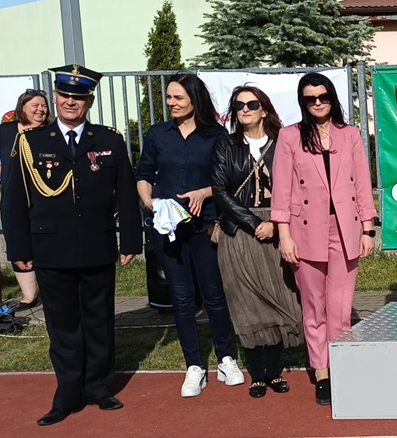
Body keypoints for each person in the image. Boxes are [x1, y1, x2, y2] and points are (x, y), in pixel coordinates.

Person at [1, 65, 141, 426]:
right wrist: (19, 251)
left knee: (99, 321)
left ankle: (98, 388)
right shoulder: (30, 142)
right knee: (62, 326)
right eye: (64, 95)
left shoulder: (108, 139)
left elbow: (126, 193)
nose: (70, 102)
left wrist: (130, 239)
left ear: (89, 101)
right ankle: (67, 394)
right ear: (55, 97)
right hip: (51, 248)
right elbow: (14, 201)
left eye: (78, 97)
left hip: (97, 245)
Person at [271, 72, 379, 406]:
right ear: (303, 103)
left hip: (345, 230)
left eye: (323, 96)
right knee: (314, 306)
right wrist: (284, 235)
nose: (317, 103)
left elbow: (362, 183)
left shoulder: (350, 135)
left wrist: (368, 228)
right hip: (304, 231)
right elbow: (281, 189)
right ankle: (322, 372)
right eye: (310, 99)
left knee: (340, 308)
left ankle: (341, 365)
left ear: (332, 98)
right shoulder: (290, 137)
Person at [136, 72, 243, 397]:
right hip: (167, 229)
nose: (172, 103)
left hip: (204, 225)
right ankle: (194, 366)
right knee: (181, 297)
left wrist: (204, 192)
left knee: (214, 294)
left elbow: (227, 179)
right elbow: (143, 173)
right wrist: (150, 202)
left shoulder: (216, 135)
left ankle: (225, 358)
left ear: (194, 100)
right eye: (169, 97)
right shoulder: (158, 134)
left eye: (178, 97)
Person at [212, 85, 304, 398]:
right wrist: (254, 224)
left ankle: (274, 372)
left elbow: (296, 186)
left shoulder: (283, 142)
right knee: (246, 302)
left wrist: (276, 224)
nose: (245, 109)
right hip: (238, 231)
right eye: (239, 105)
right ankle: (258, 374)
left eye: (252, 104)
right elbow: (220, 190)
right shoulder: (226, 144)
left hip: (279, 227)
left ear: (264, 109)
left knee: (279, 296)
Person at [0, 88, 51, 309]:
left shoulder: (51, 132)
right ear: (22, 108)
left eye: (44, 105)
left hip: (45, 195)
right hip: (13, 197)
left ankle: (51, 289)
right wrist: (0, 171)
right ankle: (29, 296)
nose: (40, 110)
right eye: (35, 105)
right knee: (17, 242)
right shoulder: (5, 130)